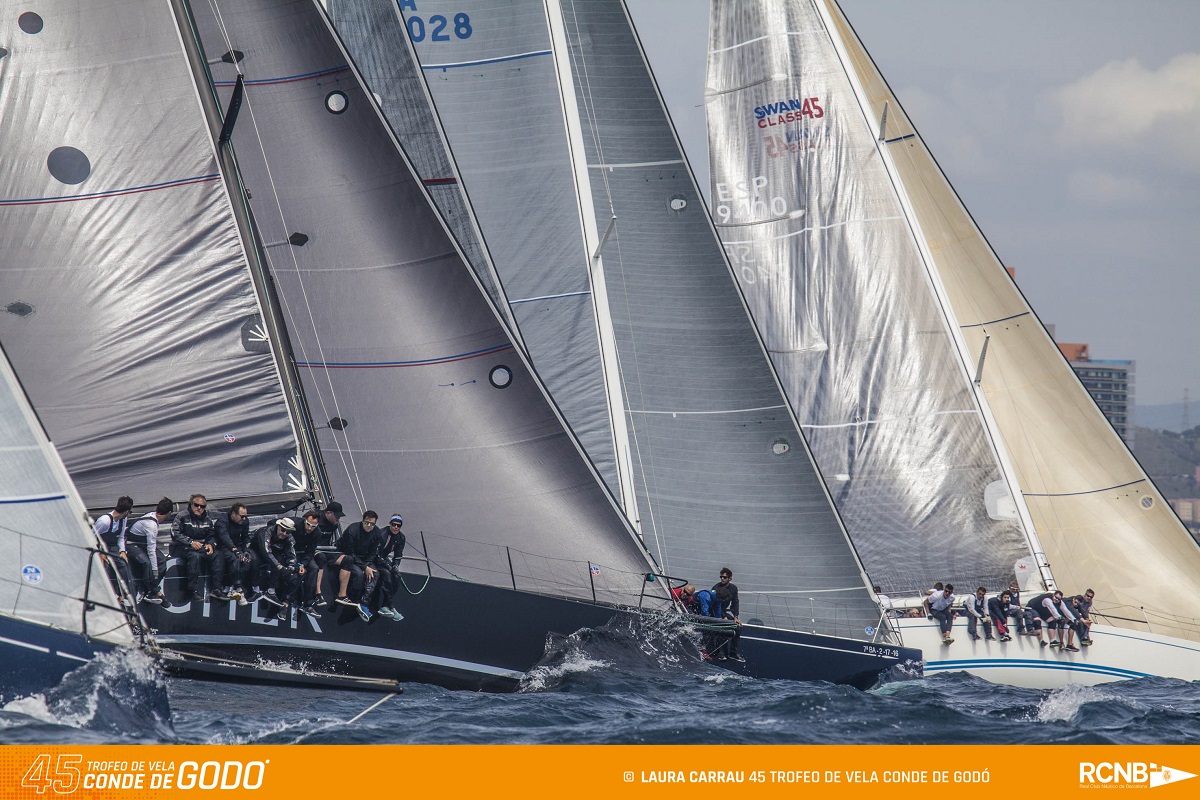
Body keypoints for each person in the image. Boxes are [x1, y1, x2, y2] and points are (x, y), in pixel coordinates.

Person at [328, 510, 381, 621]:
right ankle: (350, 599)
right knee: (358, 574)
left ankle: (364, 603)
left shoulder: (377, 532)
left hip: (364, 558)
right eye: (367, 523)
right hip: (348, 555)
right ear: (363, 521)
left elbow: (373, 553)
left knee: (375, 574)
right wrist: (364, 567)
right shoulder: (352, 530)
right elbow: (350, 552)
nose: (369, 526)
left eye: (372, 524)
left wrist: (367, 566)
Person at [170, 493, 221, 603]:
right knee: (195, 556)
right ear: (191, 504)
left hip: (200, 547)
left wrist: (211, 544)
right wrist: (190, 542)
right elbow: (175, 533)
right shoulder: (182, 516)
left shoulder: (207, 519)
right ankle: (192, 589)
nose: (199, 508)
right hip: (180, 547)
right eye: (196, 505)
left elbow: (212, 535)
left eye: (202, 506)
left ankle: (217, 588)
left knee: (217, 555)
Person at [127, 497, 171, 604]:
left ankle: (151, 590)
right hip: (130, 544)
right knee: (146, 563)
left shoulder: (153, 516)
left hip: (141, 543)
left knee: (162, 560)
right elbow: (151, 550)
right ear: (169, 513)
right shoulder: (151, 525)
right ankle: (151, 590)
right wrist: (155, 571)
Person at [254, 517, 300, 614]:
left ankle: (271, 591)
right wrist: (279, 566)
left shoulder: (289, 538)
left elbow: (291, 553)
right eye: (282, 530)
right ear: (278, 526)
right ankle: (253, 590)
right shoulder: (266, 532)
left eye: (287, 532)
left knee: (281, 561)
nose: (284, 534)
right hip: (256, 551)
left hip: (272, 553)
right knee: (255, 560)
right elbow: (266, 551)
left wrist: (291, 566)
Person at [212, 502, 255, 604]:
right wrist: (235, 551)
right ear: (233, 514)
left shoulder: (244, 521)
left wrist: (246, 551)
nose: (244, 519)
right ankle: (238, 587)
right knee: (234, 559)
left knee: (248, 559)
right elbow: (224, 538)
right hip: (222, 546)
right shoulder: (222, 521)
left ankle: (231, 586)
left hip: (236, 545)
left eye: (245, 516)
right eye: (242, 516)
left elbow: (245, 537)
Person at [93, 496, 135, 598]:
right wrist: (99, 552)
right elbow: (91, 537)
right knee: (105, 567)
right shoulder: (104, 521)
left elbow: (120, 537)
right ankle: (106, 594)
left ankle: (122, 594)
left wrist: (122, 551)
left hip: (112, 546)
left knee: (123, 564)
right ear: (126, 511)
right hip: (99, 546)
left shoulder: (123, 519)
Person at [370, 514, 406, 621]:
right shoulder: (382, 534)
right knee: (386, 574)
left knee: (397, 576)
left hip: (384, 558)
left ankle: (386, 605)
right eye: (394, 524)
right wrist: (388, 566)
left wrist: (395, 565)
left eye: (398, 526)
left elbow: (398, 555)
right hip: (373, 558)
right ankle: (390, 606)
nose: (396, 527)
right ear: (390, 524)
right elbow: (376, 553)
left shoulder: (401, 537)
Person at [291, 510, 324, 615]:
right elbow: (272, 523)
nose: (310, 528)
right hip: (289, 551)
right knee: (295, 569)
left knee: (314, 568)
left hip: (302, 553)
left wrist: (302, 564)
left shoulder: (317, 532)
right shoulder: (295, 523)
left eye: (313, 526)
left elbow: (310, 551)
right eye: (308, 524)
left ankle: (308, 604)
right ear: (304, 520)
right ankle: (289, 599)